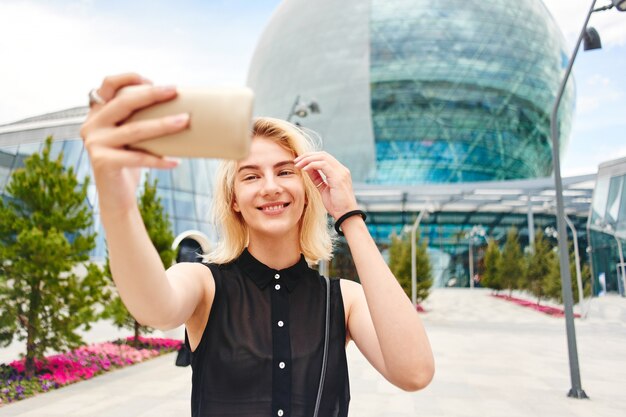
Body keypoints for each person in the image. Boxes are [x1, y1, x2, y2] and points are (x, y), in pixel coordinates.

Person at [81, 73, 434, 417]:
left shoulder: (342, 298)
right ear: (234, 199)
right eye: (251, 176)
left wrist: (349, 217)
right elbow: (153, 309)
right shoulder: (204, 283)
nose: (270, 187)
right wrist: (118, 197)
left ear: (308, 191)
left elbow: (414, 373)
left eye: (284, 172)